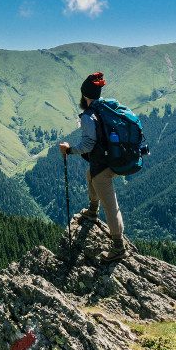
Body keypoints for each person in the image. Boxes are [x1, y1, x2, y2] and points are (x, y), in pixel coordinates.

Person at [59, 72, 127, 262]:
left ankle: (118, 246)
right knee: (90, 174)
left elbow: (88, 145)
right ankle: (92, 211)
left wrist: (69, 149)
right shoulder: (105, 107)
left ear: (84, 95)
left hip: (104, 166)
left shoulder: (89, 116)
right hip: (112, 158)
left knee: (111, 206)